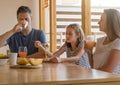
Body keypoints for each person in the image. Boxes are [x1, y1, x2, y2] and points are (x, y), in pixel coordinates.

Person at [93, 9, 120, 74]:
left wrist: (91, 74)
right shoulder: (99, 41)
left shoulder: (118, 42)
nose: (98, 22)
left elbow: (108, 70)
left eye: (101, 19)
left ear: (110, 23)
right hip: (97, 80)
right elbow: (93, 66)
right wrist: (88, 50)